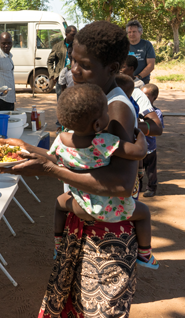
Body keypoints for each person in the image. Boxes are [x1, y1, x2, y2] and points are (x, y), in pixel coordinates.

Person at [0, 21, 146, 317]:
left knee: (99, 309)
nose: (74, 70)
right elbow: (76, 157)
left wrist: (49, 170)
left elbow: (120, 184)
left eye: (85, 65)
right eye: (72, 61)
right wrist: (25, 149)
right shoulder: (92, 100)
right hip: (86, 223)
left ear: (112, 67)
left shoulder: (114, 111)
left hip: (107, 234)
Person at [50, 84, 158, 269]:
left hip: (79, 205)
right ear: (98, 124)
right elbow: (139, 152)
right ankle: (145, 253)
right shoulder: (104, 141)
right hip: (111, 207)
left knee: (59, 204)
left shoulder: (60, 139)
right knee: (143, 213)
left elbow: (52, 158)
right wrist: (139, 135)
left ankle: (58, 245)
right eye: (106, 113)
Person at [141, 84, 164, 197]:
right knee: (137, 169)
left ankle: (151, 188)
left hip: (149, 147)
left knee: (150, 170)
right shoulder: (136, 109)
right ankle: (138, 186)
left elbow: (158, 130)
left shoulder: (156, 113)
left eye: (146, 96)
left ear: (154, 97)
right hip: (137, 146)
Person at [48, 25, 77, 98]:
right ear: (66, 34)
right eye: (73, 35)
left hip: (73, 78)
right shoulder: (57, 46)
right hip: (60, 78)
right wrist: (52, 75)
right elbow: (50, 61)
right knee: (61, 100)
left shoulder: (77, 46)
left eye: (76, 34)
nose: (75, 37)